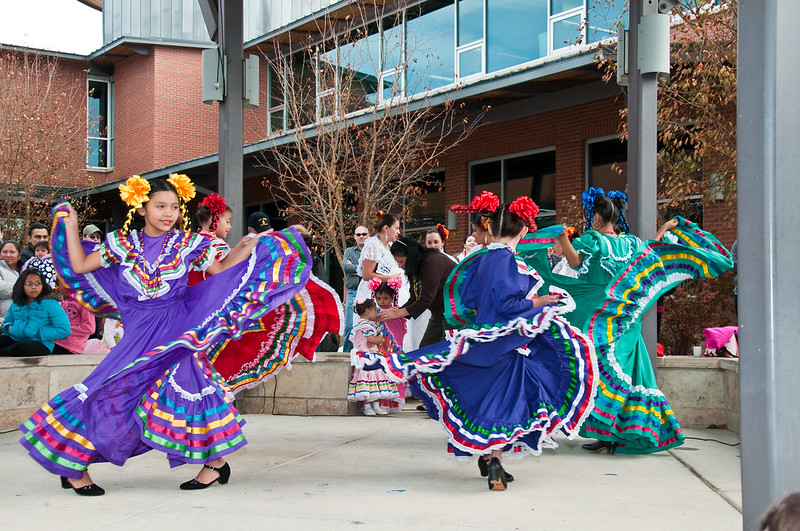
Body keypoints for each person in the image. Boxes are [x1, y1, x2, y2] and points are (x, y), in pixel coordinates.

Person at [19, 174, 312, 496]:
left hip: (177, 329)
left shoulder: (188, 243)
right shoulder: (122, 242)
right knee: (107, 388)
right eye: (160, 205)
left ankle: (214, 464)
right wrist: (70, 224)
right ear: (142, 207)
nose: (168, 212)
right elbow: (80, 263)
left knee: (191, 385)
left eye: (174, 206)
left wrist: (244, 247)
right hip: (139, 331)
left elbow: (220, 271)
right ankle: (73, 460)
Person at [358, 196, 597, 490]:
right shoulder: (506, 259)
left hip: (481, 340)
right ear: (522, 230)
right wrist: (541, 300)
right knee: (505, 403)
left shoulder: (480, 259)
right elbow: (508, 304)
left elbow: (466, 300)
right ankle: (494, 460)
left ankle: (491, 459)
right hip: (503, 344)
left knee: (487, 401)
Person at [528, 187, 733, 454]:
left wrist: (562, 236)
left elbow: (576, 263)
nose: (591, 222)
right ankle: (615, 435)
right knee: (625, 375)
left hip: (599, 319)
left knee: (599, 374)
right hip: (625, 320)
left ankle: (610, 434)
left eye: (593, 217)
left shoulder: (593, 240)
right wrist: (664, 231)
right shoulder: (632, 243)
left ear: (598, 219)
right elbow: (650, 250)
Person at [378, 236, 457, 347]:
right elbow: (414, 298)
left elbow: (426, 300)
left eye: (401, 261)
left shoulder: (432, 262)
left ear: (410, 256)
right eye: (397, 262)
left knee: (449, 350)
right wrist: (393, 314)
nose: (399, 266)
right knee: (425, 349)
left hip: (455, 311)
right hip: (439, 313)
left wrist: (397, 313)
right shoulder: (414, 267)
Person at [0, 269, 71, 357]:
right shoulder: (16, 303)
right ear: (21, 285)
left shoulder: (51, 304)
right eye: (29, 284)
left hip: (40, 343)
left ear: (43, 285)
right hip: (16, 338)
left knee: (21, 348)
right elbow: (7, 322)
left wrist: (38, 333)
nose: (34, 287)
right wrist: (10, 328)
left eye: (38, 283)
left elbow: (64, 329)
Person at [347, 298, 400, 416]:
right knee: (368, 381)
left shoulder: (371, 324)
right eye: (374, 310)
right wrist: (383, 339)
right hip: (366, 356)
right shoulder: (364, 325)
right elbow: (370, 339)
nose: (376, 313)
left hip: (373, 355)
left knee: (375, 381)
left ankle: (376, 405)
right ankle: (367, 406)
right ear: (368, 311)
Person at [370, 277, 406, 412]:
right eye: (378, 298)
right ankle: (379, 403)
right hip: (380, 351)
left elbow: (398, 334)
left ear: (392, 297)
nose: (381, 302)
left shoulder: (396, 313)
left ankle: (393, 403)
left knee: (392, 375)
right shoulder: (375, 313)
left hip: (392, 351)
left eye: (385, 298)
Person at [188, 193, 232, 286]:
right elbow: (228, 270)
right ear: (213, 219)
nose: (230, 226)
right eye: (227, 221)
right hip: (210, 295)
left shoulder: (192, 240)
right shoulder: (216, 244)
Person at [342, 225, 369, 351]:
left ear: (368, 235)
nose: (361, 237)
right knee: (349, 326)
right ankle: (346, 357)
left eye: (364, 234)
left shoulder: (371, 252)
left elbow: (373, 269)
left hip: (368, 293)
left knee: (367, 325)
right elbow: (345, 267)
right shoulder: (349, 251)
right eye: (358, 234)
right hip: (353, 292)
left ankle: (362, 353)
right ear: (354, 237)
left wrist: (355, 268)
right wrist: (363, 269)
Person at [0, 241, 22, 323]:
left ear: (19, 256)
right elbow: (1, 289)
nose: (8, 255)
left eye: (12, 252)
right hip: (3, 320)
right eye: (4, 252)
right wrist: (23, 287)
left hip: (21, 321)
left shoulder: (24, 270)